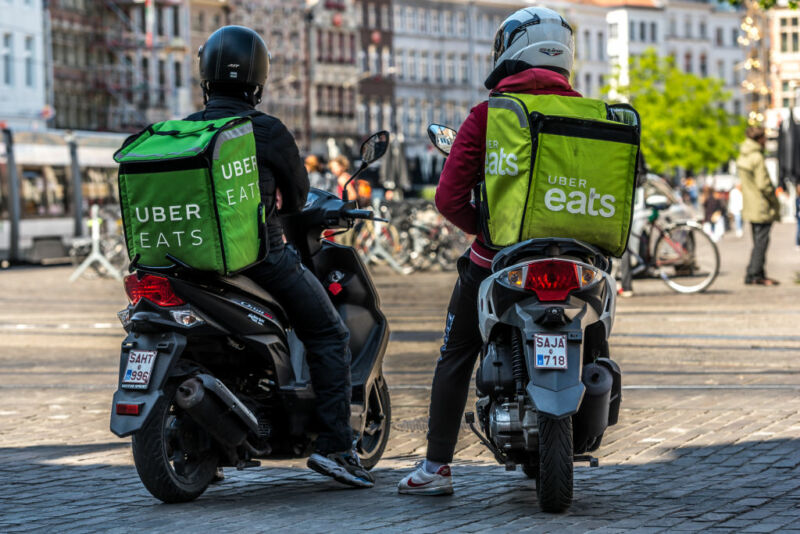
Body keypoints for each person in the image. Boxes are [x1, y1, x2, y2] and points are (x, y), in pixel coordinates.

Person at [397, 6, 582, 495]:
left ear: (510, 51)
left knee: (457, 352)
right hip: (576, 258)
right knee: (596, 329)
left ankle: (436, 467)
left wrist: (486, 230)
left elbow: (447, 198)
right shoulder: (587, 113)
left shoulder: (488, 115)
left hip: (499, 259)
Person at [188, 26, 374, 488]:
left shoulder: (186, 129)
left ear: (205, 76)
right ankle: (336, 448)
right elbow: (296, 199)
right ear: (258, 79)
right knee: (328, 333)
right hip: (259, 258)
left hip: (186, 262)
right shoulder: (267, 131)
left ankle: (209, 443)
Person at [737, 126, 781, 286]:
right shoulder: (756, 157)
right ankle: (755, 274)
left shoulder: (743, 155)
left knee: (758, 241)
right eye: (765, 138)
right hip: (761, 205)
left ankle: (756, 273)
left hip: (750, 204)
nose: (766, 141)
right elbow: (764, 184)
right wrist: (774, 200)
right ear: (760, 139)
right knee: (761, 243)